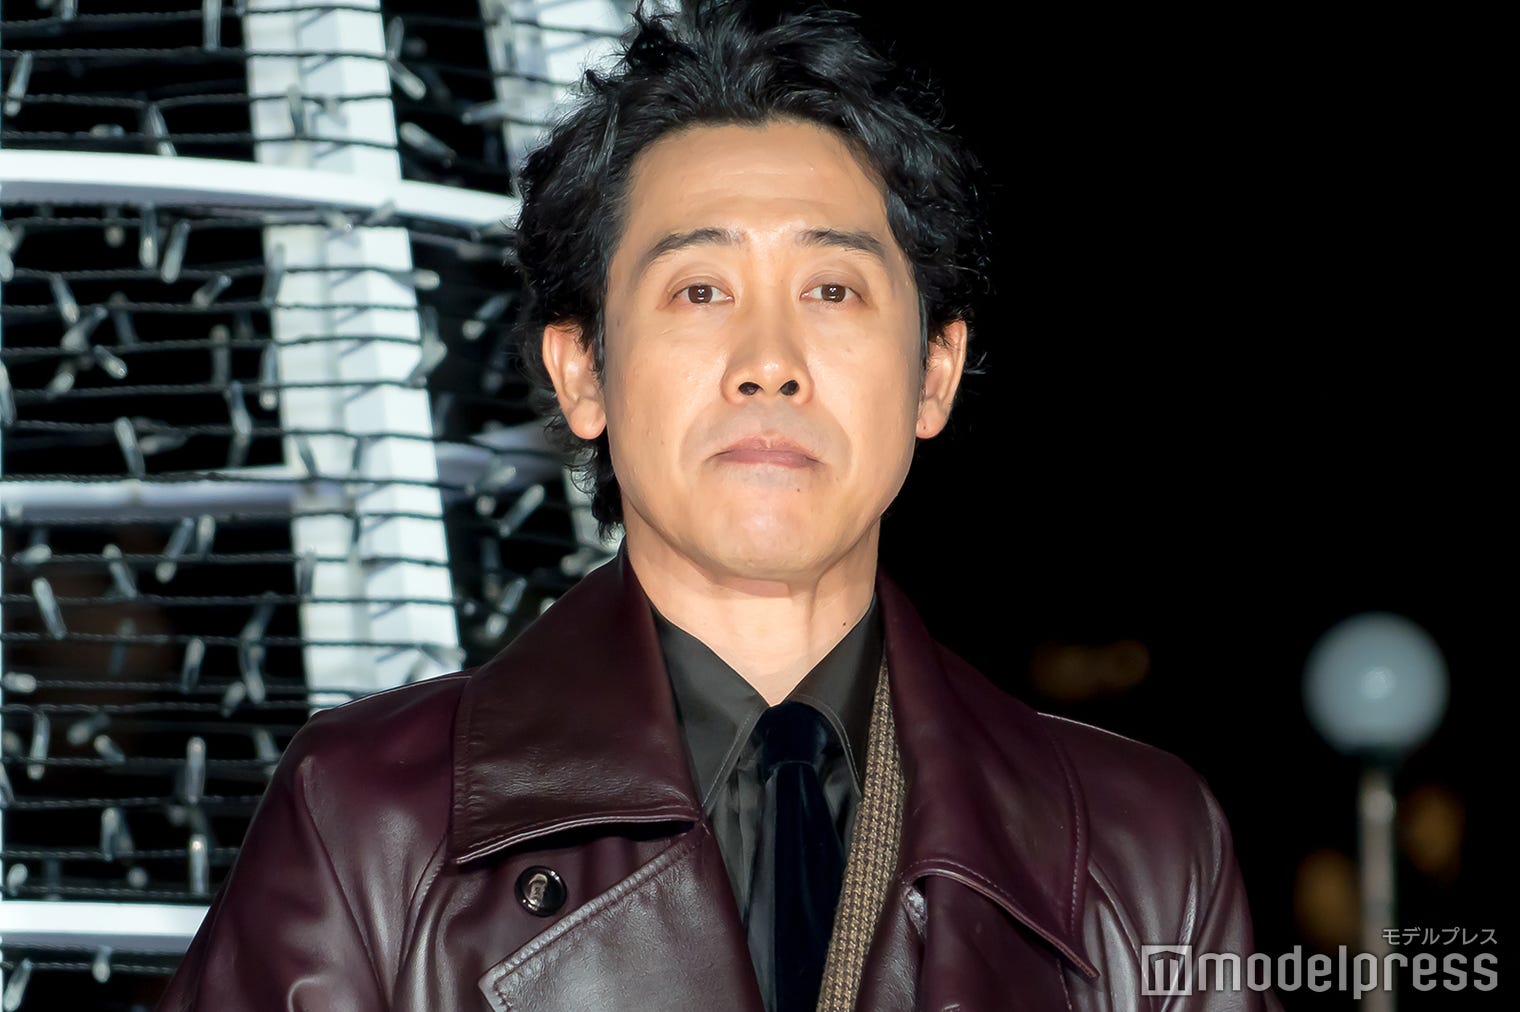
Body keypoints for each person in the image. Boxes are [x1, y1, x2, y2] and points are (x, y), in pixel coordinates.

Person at [157, 3, 1282, 1009]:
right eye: (700, 290)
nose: (768, 364)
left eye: (831, 289)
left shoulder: (1139, 849)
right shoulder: (369, 821)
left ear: (933, 374)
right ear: (582, 373)